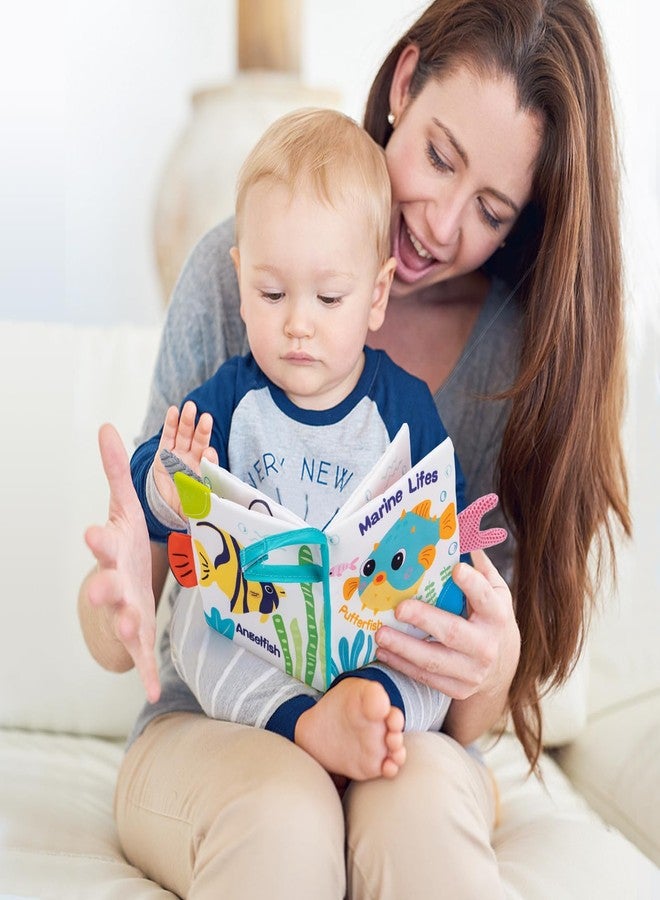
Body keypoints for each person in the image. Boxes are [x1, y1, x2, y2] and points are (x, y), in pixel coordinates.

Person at [79, 1, 630, 897]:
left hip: (404, 736)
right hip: (219, 731)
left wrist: (487, 659)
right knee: (285, 812)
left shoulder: (516, 353)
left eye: (490, 209)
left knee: (420, 819)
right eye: (440, 156)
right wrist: (115, 602)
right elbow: (131, 589)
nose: (442, 224)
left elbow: (469, 720)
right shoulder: (252, 270)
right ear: (405, 83)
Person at [129, 107, 466, 781]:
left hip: (366, 638)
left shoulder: (404, 412)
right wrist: (166, 486)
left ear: (375, 297)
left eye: (329, 298)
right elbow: (159, 471)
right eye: (272, 292)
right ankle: (304, 724)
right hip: (258, 641)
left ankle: (373, 712)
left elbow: (441, 520)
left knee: (436, 647)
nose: (298, 325)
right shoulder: (232, 397)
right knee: (194, 618)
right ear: (240, 282)